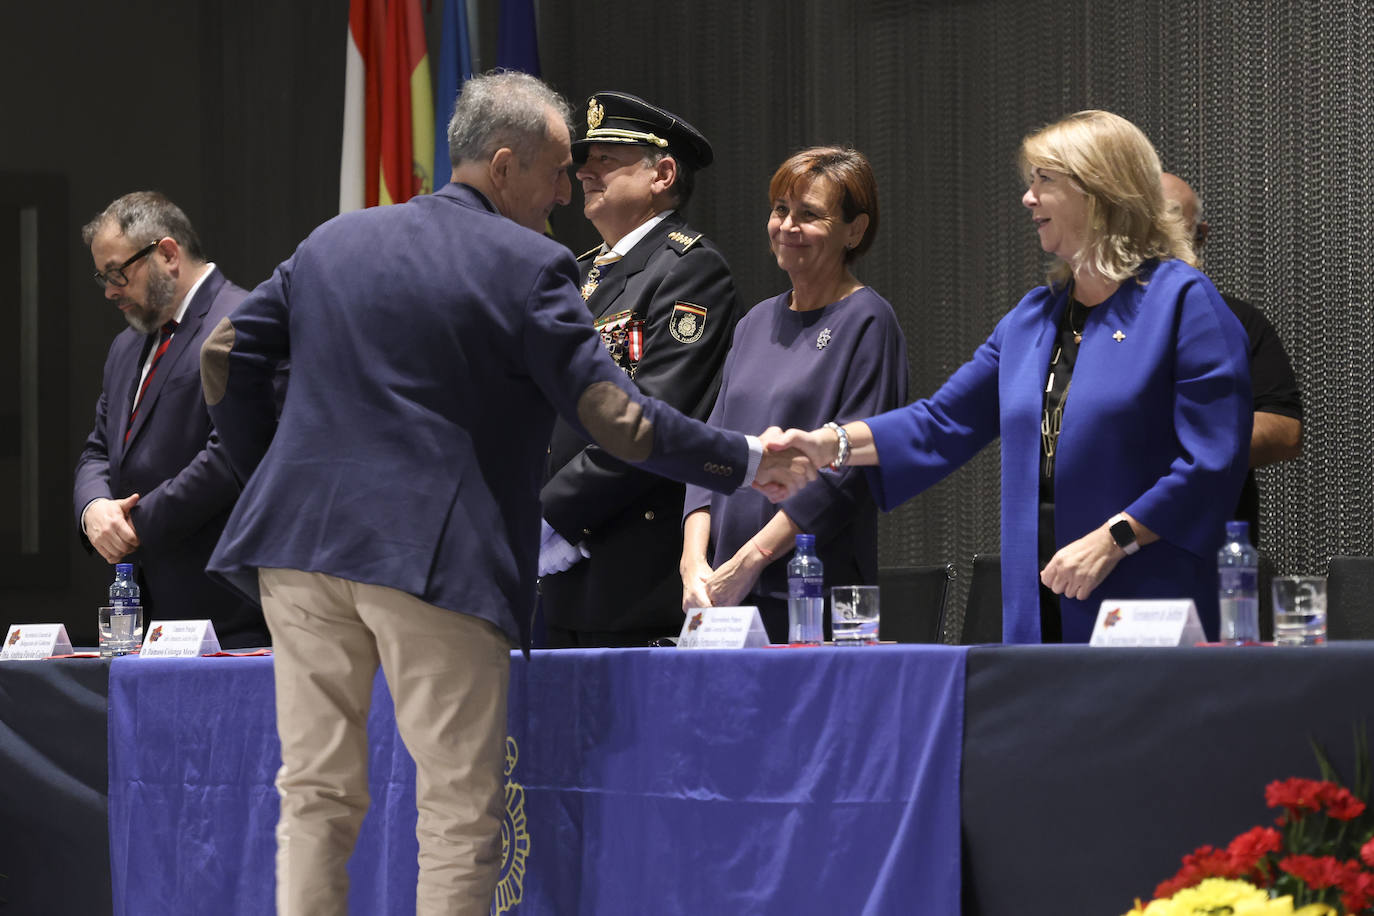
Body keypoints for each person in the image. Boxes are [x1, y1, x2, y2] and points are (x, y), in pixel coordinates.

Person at [198, 71, 813, 916]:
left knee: (314, 795)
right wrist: (746, 461)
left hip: (296, 551)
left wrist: (272, 468)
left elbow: (224, 354)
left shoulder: (334, 241)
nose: (566, 194)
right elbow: (622, 423)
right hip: (432, 557)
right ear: (502, 165)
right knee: (456, 811)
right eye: (558, 170)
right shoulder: (530, 263)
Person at [776, 112, 1252, 644]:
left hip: (1146, 599)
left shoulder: (1183, 303)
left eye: (1044, 180)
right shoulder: (1032, 319)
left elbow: (1213, 461)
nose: (1028, 199)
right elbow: (940, 424)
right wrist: (828, 443)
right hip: (1040, 600)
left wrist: (1117, 538)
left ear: (1099, 191)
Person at [679, 147, 909, 643]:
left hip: (815, 596)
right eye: (781, 210)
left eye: (810, 215)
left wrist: (752, 558)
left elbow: (848, 473)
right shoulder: (753, 323)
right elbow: (710, 453)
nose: (787, 226)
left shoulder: (869, 321)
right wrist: (692, 561)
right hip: (724, 594)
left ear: (855, 230)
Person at [539, 91, 742, 648]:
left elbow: (652, 417)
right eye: (586, 158)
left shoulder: (690, 271)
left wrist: (553, 513)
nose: (584, 171)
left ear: (663, 173)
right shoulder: (572, 274)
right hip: (551, 575)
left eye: (607, 158)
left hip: (627, 578)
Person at [73, 191, 269, 649]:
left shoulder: (243, 321)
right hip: (144, 619)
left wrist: (134, 524)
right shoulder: (126, 347)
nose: (110, 290)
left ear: (167, 253)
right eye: (102, 276)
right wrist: (94, 511)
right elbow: (98, 449)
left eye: (118, 272)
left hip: (229, 619)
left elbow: (232, 456)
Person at [1161, 172, 1302, 542]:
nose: (1159, 238)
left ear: (1200, 236)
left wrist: (1184, 445)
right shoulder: (1089, 319)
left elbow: (1285, 431)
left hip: (1213, 543)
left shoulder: (1234, 320)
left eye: (1173, 220)